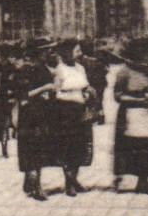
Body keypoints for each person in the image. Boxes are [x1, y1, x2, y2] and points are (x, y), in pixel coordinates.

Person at [110, 38, 148, 194]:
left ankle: (143, 182)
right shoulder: (124, 71)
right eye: (147, 54)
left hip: (147, 114)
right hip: (129, 114)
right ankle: (121, 180)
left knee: (147, 147)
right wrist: (141, 99)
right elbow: (118, 96)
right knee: (127, 147)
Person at [14, 39, 59, 201]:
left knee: (39, 148)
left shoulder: (45, 70)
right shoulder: (25, 71)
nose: (50, 53)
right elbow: (22, 96)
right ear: (39, 53)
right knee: (32, 147)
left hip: (43, 114)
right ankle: (36, 185)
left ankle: (31, 179)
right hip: (29, 116)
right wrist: (45, 89)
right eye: (46, 50)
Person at [52, 40, 94, 196]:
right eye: (77, 51)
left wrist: (87, 94)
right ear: (67, 52)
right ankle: (68, 182)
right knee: (67, 146)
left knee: (80, 146)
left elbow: (85, 86)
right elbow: (55, 92)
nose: (80, 53)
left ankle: (74, 178)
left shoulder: (80, 68)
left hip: (80, 109)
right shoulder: (60, 70)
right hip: (65, 111)